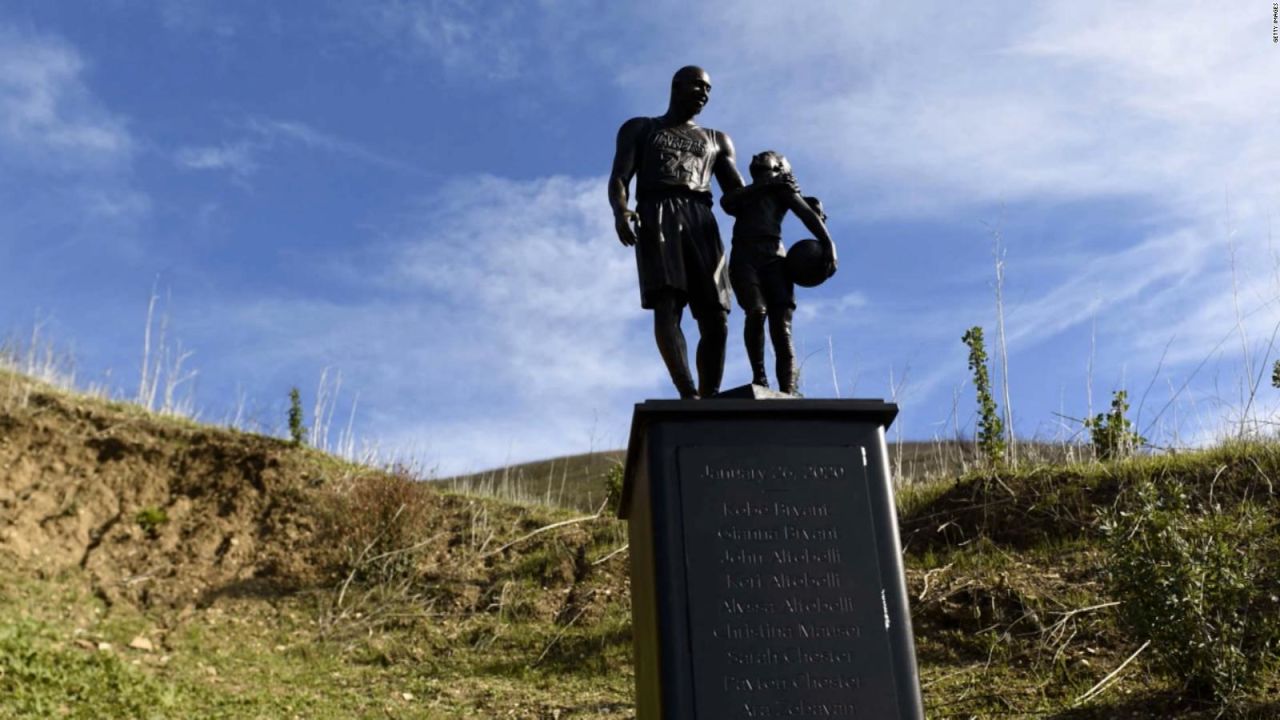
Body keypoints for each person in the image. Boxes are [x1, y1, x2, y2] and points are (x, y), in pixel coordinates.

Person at [607, 66, 746, 399]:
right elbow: (619, 177)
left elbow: (736, 196)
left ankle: (709, 395)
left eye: (708, 89)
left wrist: (778, 192)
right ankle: (687, 392)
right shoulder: (641, 128)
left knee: (716, 313)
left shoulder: (717, 140)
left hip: (702, 216)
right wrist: (621, 210)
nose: (704, 93)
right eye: (697, 86)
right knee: (668, 301)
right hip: (658, 211)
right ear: (676, 86)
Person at [721, 150, 836, 394]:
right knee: (756, 310)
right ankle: (759, 377)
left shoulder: (783, 190)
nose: (756, 156)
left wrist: (828, 244)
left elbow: (807, 215)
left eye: (767, 155)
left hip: (775, 262)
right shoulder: (747, 193)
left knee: (781, 329)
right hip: (745, 260)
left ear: (781, 166)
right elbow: (728, 202)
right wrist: (768, 183)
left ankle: (788, 390)